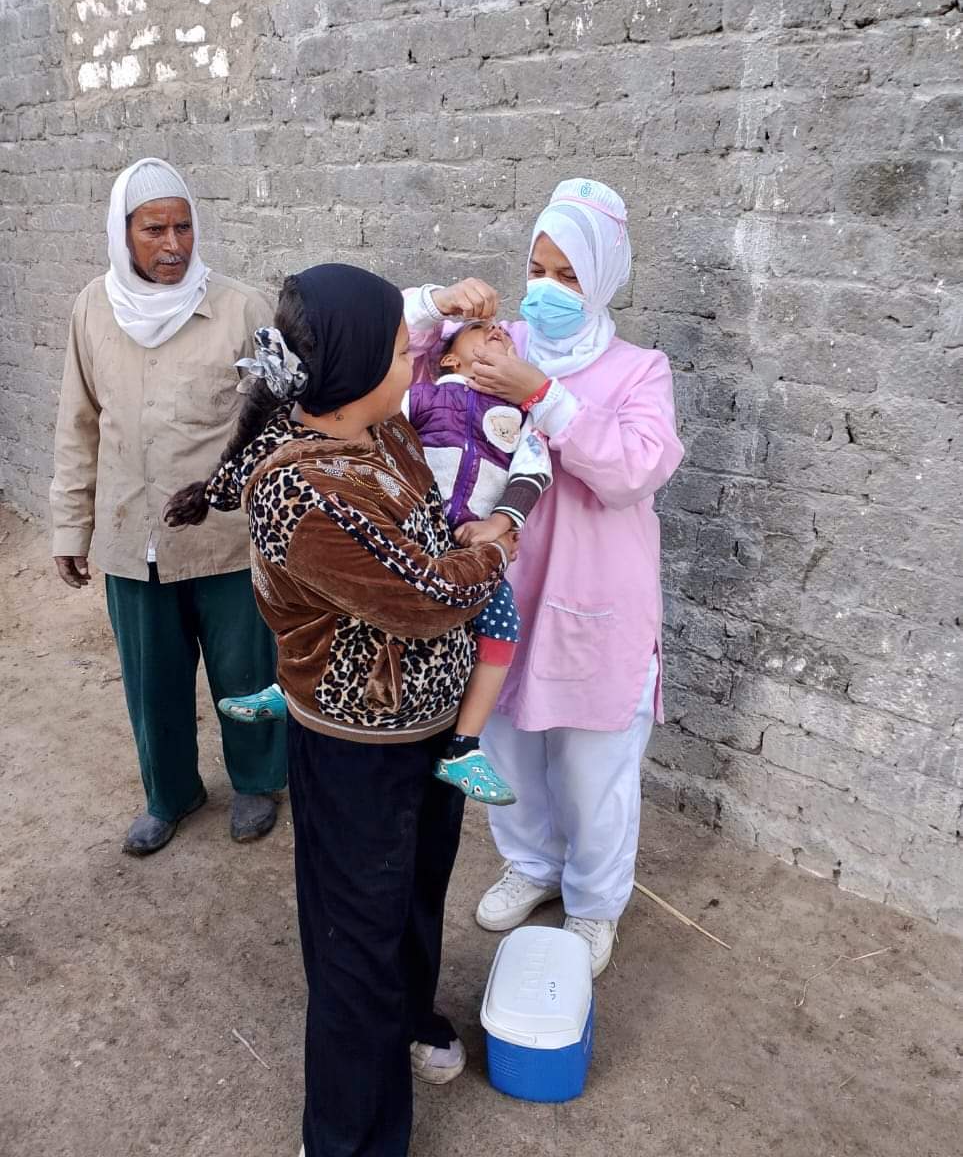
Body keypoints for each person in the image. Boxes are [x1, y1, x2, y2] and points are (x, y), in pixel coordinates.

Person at [164, 263, 517, 1157]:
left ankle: (410, 1018)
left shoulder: (377, 427)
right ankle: (348, 1139)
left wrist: (438, 306)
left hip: (429, 731)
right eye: (402, 353)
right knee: (355, 937)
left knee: (414, 896)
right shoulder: (304, 492)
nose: (417, 361)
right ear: (356, 368)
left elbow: (391, 333)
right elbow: (430, 598)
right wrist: (500, 539)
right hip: (357, 748)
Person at [404, 178, 684, 977]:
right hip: (500, 589)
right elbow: (402, 363)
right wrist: (436, 304)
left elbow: (634, 470)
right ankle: (531, 864)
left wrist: (541, 395)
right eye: (537, 269)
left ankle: (594, 903)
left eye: (568, 275)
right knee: (506, 745)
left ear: (602, 279)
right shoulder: (497, 340)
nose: (547, 289)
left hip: (596, 599)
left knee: (594, 773)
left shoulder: (638, 370)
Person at [50, 158, 285, 856]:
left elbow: (281, 419)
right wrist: (71, 526)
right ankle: (171, 794)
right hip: (132, 535)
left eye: (183, 227)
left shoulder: (242, 309)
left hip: (226, 536)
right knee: (151, 681)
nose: (173, 244)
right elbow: (78, 423)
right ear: (123, 234)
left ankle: (257, 781)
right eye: (154, 230)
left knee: (246, 671)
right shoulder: (92, 309)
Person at [220, 316, 553, 806]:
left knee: (502, 628)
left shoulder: (520, 417)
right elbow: (369, 379)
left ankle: (465, 744)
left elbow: (534, 470)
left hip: (471, 548)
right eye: (481, 330)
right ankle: (289, 690)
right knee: (333, 607)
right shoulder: (421, 399)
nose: (498, 332)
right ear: (449, 358)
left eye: (504, 336)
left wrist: (502, 524)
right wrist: (437, 304)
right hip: (413, 538)